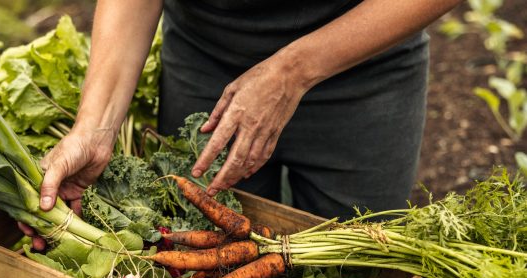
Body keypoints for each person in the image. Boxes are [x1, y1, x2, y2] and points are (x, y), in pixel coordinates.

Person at [24, 0, 462, 247]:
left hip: (364, 63)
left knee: (358, 273)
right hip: (207, 62)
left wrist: (293, 71)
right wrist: (95, 128)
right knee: (205, 252)